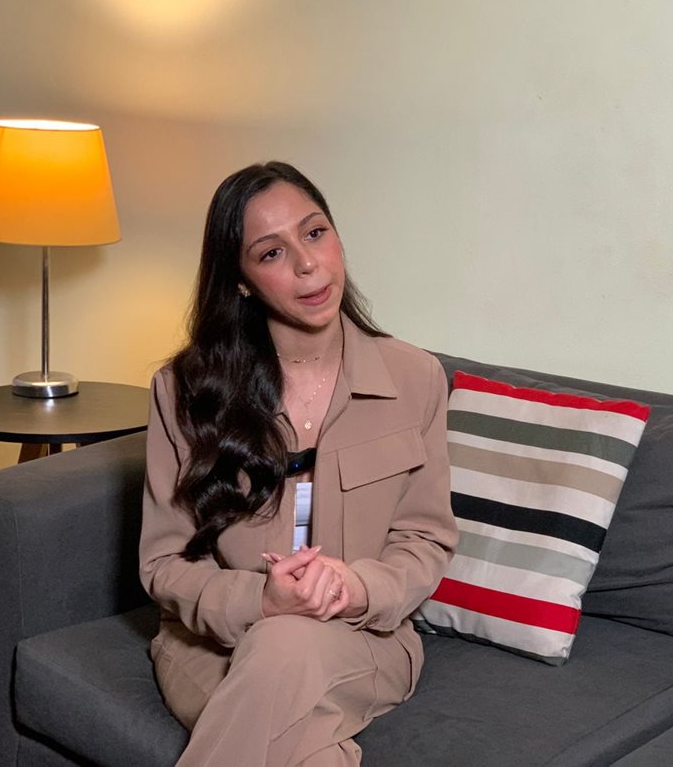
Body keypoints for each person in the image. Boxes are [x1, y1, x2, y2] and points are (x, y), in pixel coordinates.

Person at [139, 162, 457, 767]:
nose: (307, 265)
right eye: (271, 252)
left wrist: (355, 587)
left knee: (286, 645)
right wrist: (263, 601)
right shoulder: (183, 389)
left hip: (363, 642)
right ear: (240, 280)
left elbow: (425, 539)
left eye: (314, 233)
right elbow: (164, 564)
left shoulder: (415, 377)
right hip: (211, 646)